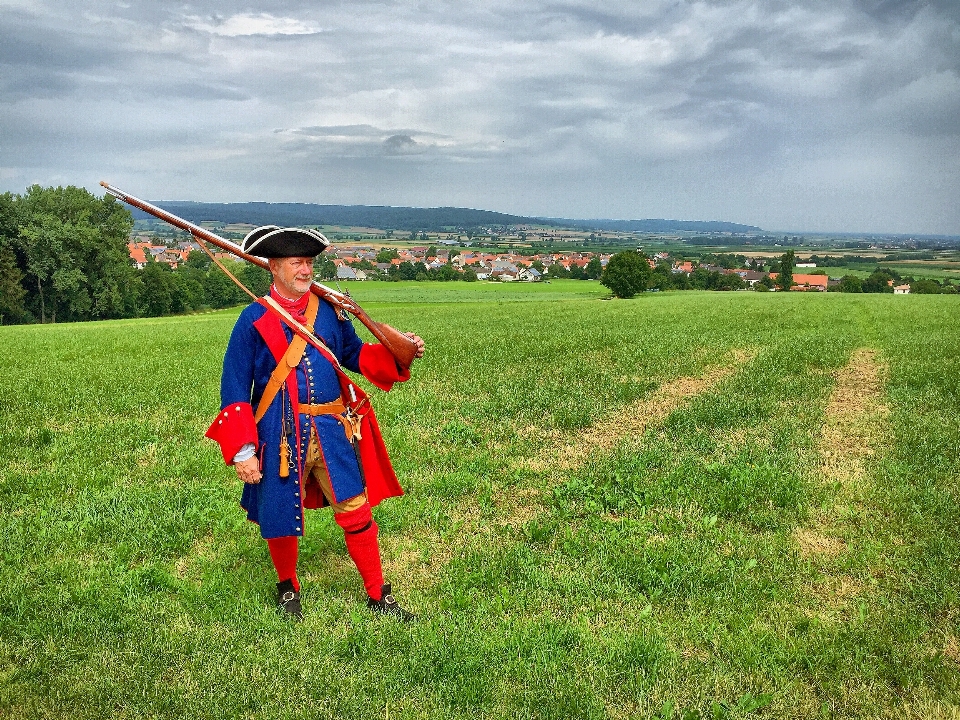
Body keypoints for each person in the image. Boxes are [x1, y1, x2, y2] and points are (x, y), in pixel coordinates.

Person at [205, 225, 424, 621]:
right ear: (273, 267)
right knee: (279, 513)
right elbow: (234, 388)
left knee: (356, 508)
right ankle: (287, 586)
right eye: (297, 262)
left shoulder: (328, 311)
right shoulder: (252, 320)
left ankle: (378, 594)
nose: (306, 270)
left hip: (332, 429)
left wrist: (397, 354)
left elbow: (354, 354)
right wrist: (244, 450)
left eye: (309, 262)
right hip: (279, 434)